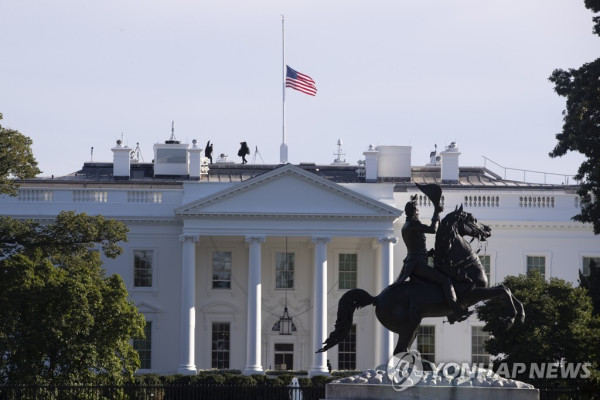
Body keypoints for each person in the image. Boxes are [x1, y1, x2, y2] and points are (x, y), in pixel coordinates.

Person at [395, 195, 469, 323]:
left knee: (440, 276)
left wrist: (428, 253)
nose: (418, 213)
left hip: (415, 260)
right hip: (417, 264)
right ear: (413, 212)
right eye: (417, 210)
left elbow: (415, 247)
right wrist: (436, 212)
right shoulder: (412, 225)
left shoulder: (407, 225)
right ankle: (456, 311)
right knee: (445, 280)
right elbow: (432, 229)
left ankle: (449, 312)